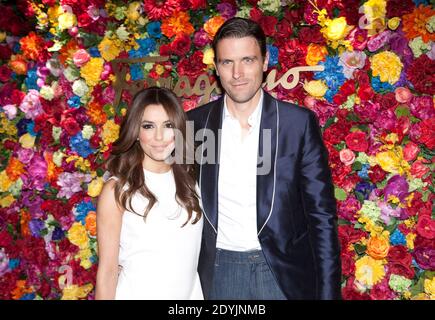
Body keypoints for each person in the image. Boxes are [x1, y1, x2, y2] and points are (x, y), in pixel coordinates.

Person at [187, 17, 341, 300]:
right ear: (216, 68)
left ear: (265, 60)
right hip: (219, 273)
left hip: (283, 274)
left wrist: (329, 295)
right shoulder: (196, 126)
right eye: (227, 62)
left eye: (247, 59)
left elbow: (321, 217)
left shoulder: (296, 124)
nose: (238, 73)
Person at [95, 87, 203, 300]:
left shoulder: (191, 181)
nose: (159, 137)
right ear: (135, 131)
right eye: (148, 126)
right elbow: (107, 272)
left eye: (168, 125)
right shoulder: (117, 190)